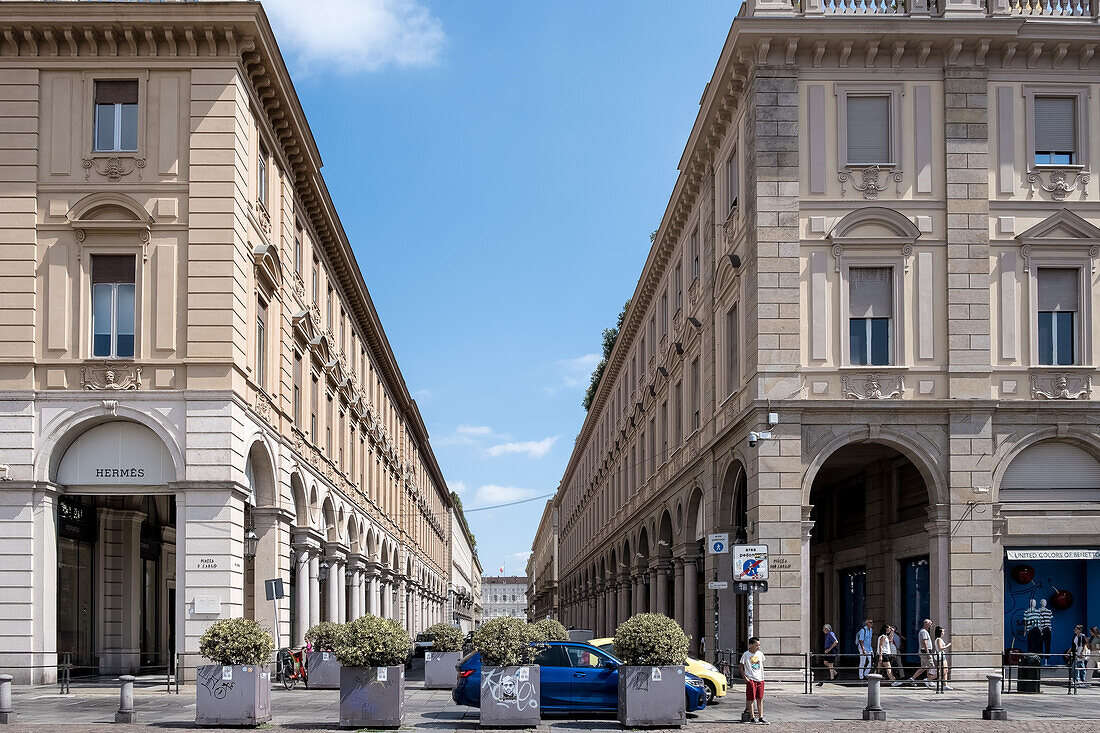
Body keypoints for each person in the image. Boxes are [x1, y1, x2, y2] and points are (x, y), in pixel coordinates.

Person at [739, 637, 769, 726]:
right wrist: (745, 677)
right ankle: (752, 717)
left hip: (760, 679)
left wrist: (763, 676)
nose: (758, 647)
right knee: (751, 698)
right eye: (756, 645)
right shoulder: (746, 655)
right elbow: (740, 666)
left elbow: (762, 665)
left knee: (760, 698)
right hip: (751, 679)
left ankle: (761, 716)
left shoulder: (760, 654)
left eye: (759, 645)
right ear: (750, 645)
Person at [907, 619, 934, 687]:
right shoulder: (924, 632)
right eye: (930, 623)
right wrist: (928, 652)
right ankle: (929, 681)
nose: (931, 625)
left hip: (924, 651)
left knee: (925, 667)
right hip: (925, 652)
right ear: (926, 623)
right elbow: (924, 642)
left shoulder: (923, 631)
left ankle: (912, 678)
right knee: (930, 666)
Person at [932, 626, 952, 690]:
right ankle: (929, 679)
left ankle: (945, 684)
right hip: (940, 656)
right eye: (943, 631)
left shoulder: (939, 639)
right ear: (940, 632)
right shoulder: (939, 639)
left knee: (945, 670)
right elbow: (940, 648)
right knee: (943, 670)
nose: (943, 632)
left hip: (941, 655)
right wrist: (948, 645)